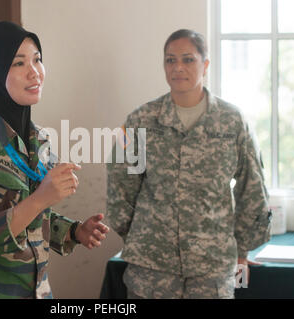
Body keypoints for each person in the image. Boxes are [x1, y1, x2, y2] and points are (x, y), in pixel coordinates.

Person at [0, 21, 109, 299]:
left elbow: (31, 221)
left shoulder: (36, 137)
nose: (35, 72)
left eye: (38, 59)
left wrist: (75, 232)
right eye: (18, 63)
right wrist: (41, 198)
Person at [106, 29, 271, 299]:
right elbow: (119, 187)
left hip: (212, 270)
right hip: (151, 272)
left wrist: (242, 252)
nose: (178, 67)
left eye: (188, 60)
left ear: (205, 65)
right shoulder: (141, 120)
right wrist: (142, 237)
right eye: (170, 60)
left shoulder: (232, 121)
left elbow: (252, 189)